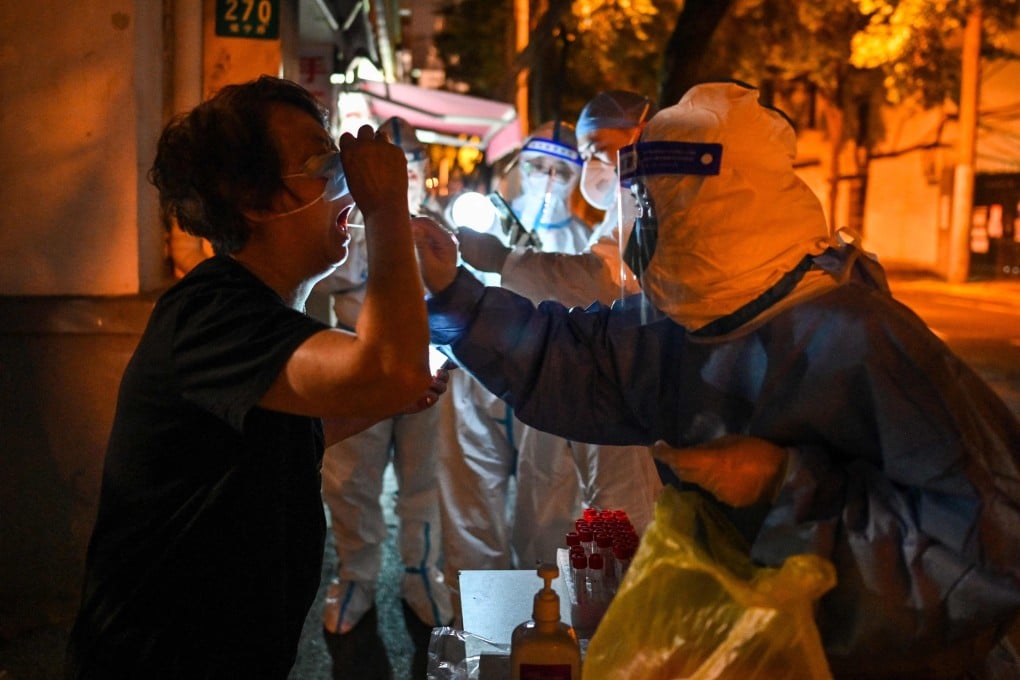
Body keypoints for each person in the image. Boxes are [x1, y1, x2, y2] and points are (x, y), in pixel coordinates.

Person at [413, 81, 1020, 677]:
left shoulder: (863, 341)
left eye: (653, 207)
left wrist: (782, 486)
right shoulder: (691, 324)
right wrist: (459, 297)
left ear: (716, 209)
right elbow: (576, 362)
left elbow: (991, 546)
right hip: (753, 645)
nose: (642, 227)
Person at [65, 76, 446, 679]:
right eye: (325, 164)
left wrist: (381, 400)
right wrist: (385, 209)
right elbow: (390, 370)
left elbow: (276, 443)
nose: (346, 180)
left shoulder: (258, 314)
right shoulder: (211, 312)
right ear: (254, 199)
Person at [455, 93, 665, 555]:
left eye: (597, 149)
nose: (591, 163)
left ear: (640, 134)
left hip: (616, 389)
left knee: (611, 524)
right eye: (585, 153)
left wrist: (504, 260)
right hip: (584, 387)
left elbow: (599, 280)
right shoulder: (625, 207)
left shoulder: (645, 204)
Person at [315, 116, 452, 678]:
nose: (405, 176)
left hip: (427, 363)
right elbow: (319, 284)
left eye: (411, 166)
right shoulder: (345, 225)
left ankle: (421, 575)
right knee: (351, 479)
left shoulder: (438, 226)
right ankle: (356, 577)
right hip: (357, 360)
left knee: (425, 476)